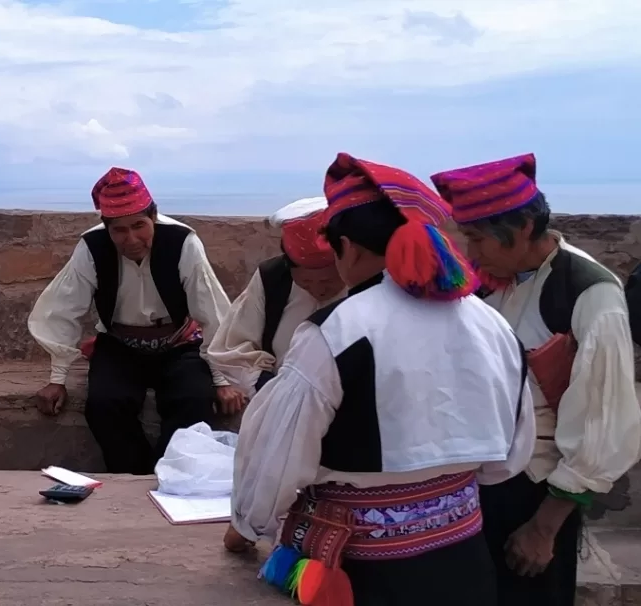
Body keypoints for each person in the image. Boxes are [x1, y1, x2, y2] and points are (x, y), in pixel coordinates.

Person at [225, 153, 536, 606]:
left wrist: (246, 524)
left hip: (363, 576)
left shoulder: (335, 332)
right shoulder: (493, 324)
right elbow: (509, 458)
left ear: (347, 247)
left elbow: (276, 459)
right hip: (466, 561)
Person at [431, 154, 641, 606]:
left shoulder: (587, 293)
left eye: (479, 238)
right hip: (475, 482)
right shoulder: (489, 284)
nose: (471, 252)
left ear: (524, 226)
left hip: (535, 493)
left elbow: (604, 425)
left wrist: (544, 527)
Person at [27, 167, 240, 475]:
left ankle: (170, 475)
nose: (131, 239)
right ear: (107, 227)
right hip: (120, 346)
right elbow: (62, 309)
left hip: (178, 344)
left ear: (153, 216)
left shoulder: (183, 243)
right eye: (119, 230)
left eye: (139, 226)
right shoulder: (92, 247)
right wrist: (57, 378)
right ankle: (137, 477)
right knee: (104, 404)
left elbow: (212, 310)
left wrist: (221, 379)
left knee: (193, 400)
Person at [207, 197, 345, 396]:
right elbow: (231, 350)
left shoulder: (367, 286)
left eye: (328, 281)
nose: (318, 290)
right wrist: (271, 387)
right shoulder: (272, 279)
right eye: (306, 283)